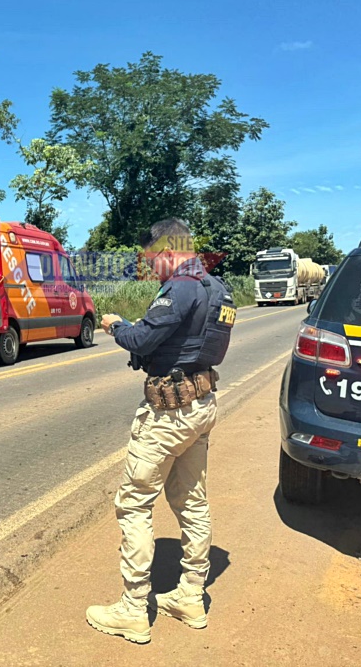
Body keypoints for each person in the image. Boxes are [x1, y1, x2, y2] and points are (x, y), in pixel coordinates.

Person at [86, 218, 235, 644]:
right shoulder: (218, 287)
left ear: (169, 250)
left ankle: (133, 609)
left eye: (152, 259)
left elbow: (139, 341)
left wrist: (115, 325)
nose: (151, 267)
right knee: (192, 501)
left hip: (168, 415)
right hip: (201, 405)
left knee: (133, 505)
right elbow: (189, 339)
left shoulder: (181, 287)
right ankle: (191, 595)